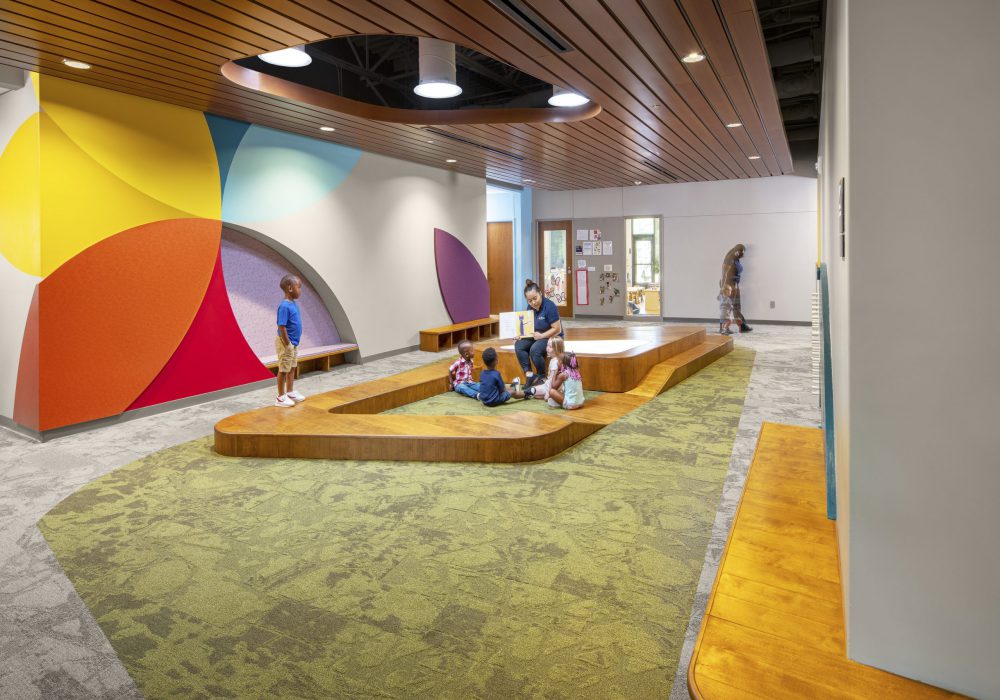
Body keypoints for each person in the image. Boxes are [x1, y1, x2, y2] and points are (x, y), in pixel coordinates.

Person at [515, 279, 564, 389]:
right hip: (537, 336)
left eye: (535, 298)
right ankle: (530, 375)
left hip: (552, 336)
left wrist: (542, 336)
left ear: (540, 293)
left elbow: (557, 329)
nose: (533, 302)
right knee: (519, 346)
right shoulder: (530, 308)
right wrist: (520, 335)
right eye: (529, 300)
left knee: (535, 349)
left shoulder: (550, 306)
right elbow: (528, 327)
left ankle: (542, 377)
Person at [275, 274, 306, 407]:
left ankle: (290, 392)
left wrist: (292, 344)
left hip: (293, 343)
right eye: (298, 287)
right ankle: (280, 397)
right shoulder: (284, 306)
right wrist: (287, 344)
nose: (300, 290)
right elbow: (281, 327)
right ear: (290, 288)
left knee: (292, 367)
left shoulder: (293, 304)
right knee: (283, 369)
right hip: (286, 343)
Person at [720, 244, 752, 332]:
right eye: (742, 253)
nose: (743, 255)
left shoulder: (736, 258)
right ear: (737, 251)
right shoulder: (730, 258)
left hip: (735, 283)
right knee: (727, 307)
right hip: (729, 284)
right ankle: (723, 327)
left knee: (737, 306)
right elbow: (724, 273)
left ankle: (742, 325)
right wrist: (723, 287)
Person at [531, 336, 565, 401]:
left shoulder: (556, 362)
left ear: (557, 348)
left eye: (550, 347)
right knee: (533, 390)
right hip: (548, 385)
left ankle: (553, 395)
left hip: (554, 387)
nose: (547, 348)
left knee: (536, 392)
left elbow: (553, 380)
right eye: (547, 345)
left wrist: (548, 393)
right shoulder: (553, 359)